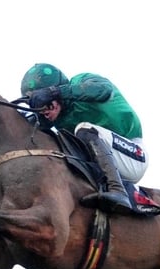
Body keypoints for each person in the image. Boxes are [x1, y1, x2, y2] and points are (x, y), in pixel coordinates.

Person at [20, 63, 147, 215]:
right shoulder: (59, 119)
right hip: (106, 161)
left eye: (43, 100)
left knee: (84, 129)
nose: (42, 109)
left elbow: (103, 90)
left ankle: (118, 190)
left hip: (134, 155)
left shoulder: (83, 80)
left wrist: (56, 92)